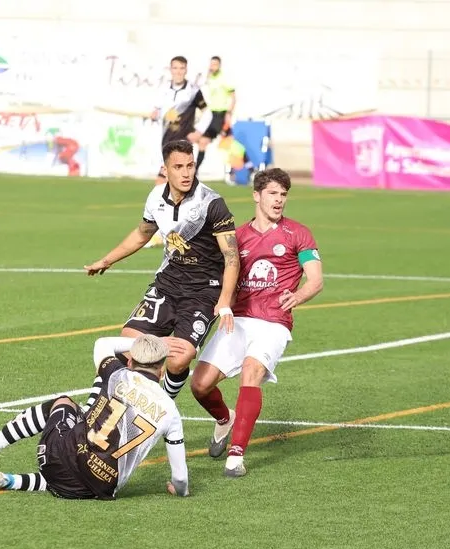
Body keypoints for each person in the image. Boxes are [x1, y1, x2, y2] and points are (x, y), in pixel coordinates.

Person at [190, 168, 323, 477]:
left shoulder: (298, 234)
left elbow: (315, 280)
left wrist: (298, 296)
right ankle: (225, 418)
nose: (279, 200)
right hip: (239, 319)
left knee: (251, 372)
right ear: (257, 195)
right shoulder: (238, 237)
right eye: (273, 193)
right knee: (200, 385)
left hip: (274, 322)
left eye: (283, 195)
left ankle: (236, 457)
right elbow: (222, 277)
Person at [84, 139, 240, 400]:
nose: (186, 173)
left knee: (178, 361)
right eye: (178, 167)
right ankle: (105, 407)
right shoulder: (156, 198)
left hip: (203, 292)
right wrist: (107, 260)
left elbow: (232, 256)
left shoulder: (212, 203)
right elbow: (141, 234)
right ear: (165, 170)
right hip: (167, 285)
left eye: (190, 165)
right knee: (129, 345)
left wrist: (224, 301)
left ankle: (163, 405)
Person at [0, 335, 188, 499]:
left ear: (130, 362)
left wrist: (143, 342)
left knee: (62, 403)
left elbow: (102, 344)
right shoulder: (171, 411)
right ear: (161, 370)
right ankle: (11, 481)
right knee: (68, 481)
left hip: (58, 459)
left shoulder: (117, 373)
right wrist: (180, 490)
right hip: (99, 488)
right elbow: (180, 477)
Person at [150, 56, 213, 185]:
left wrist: (199, 132)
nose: (178, 71)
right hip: (166, 141)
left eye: (181, 68)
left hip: (183, 143)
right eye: (175, 68)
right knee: (165, 186)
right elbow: (158, 112)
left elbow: (207, 113)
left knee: (164, 183)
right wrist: (156, 114)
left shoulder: (193, 91)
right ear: (170, 70)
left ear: (186, 70)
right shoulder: (163, 90)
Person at [192, 56, 236, 171]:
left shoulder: (224, 79)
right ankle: (194, 170)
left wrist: (229, 114)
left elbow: (233, 97)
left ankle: (195, 170)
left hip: (220, 114)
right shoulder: (209, 78)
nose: (213, 66)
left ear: (219, 65)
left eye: (215, 64)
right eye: (211, 64)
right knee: (199, 140)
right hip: (209, 114)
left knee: (204, 141)